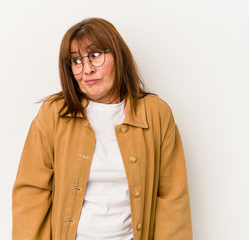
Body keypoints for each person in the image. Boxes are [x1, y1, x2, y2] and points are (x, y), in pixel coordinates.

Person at [12, 17, 193, 240]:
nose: (86, 69)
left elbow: (172, 201)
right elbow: (31, 194)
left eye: (95, 56)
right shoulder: (54, 114)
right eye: (76, 61)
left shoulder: (156, 114)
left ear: (119, 56)